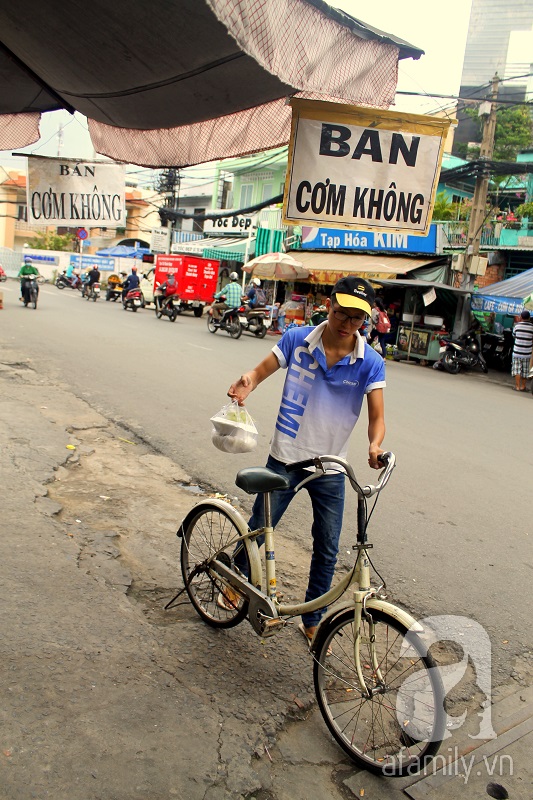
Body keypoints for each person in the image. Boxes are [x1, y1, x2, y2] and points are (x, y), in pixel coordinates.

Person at [227, 276, 386, 643]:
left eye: (356, 319)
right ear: (329, 304)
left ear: (365, 320)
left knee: (327, 547)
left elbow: (376, 417)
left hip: (330, 466)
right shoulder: (298, 339)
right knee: (257, 531)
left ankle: (312, 619)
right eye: (341, 314)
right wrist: (246, 382)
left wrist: (375, 446)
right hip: (285, 457)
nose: (347, 325)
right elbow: (261, 370)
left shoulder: (370, 363)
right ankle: (234, 581)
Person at [511, 309, 533, 391]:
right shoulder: (532, 327)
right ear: (529, 317)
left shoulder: (517, 326)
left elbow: (514, 336)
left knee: (517, 369)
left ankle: (517, 386)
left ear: (521, 317)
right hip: (527, 353)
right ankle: (523, 386)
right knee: (525, 370)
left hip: (517, 352)